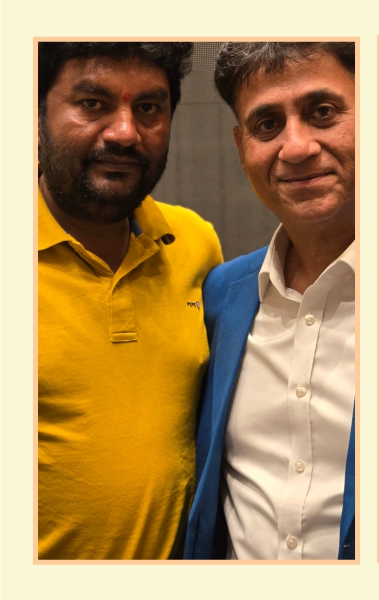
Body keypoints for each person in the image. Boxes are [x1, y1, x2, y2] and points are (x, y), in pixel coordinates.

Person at [36, 42, 219, 560]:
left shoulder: (195, 243)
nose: (124, 132)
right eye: (91, 104)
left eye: (149, 108)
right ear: (37, 115)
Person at [181, 42, 357, 560]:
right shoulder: (222, 294)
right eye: (267, 125)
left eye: (322, 112)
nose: (296, 147)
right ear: (241, 148)